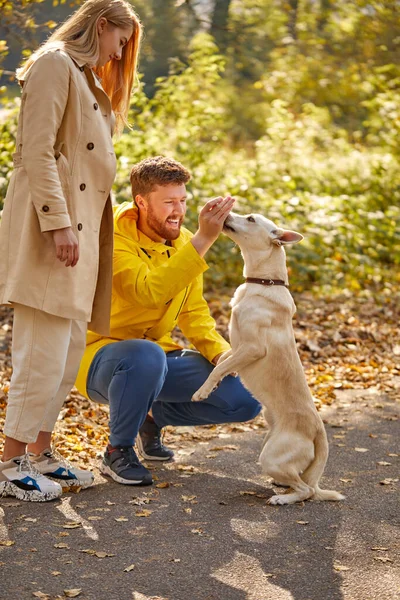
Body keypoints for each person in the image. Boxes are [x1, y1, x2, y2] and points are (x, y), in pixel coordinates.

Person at [0, 0, 142, 502]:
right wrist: (59, 224)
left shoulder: (85, 77)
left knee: (63, 359)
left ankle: (41, 453)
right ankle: (11, 463)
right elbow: (35, 150)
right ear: (101, 24)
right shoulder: (54, 63)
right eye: (120, 40)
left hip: (80, 235)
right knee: (39, 355)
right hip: (51, 232)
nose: (119, 52)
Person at [75, 156, 261, 486]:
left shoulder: (184, 241)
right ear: (141, 201)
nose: (178, 210)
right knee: (146, 355)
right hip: (99, 358)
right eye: (169, 202)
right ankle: (117, 451)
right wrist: (201, 242)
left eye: (183, 200)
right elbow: (146, 292)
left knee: (244, 398)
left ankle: (150, 417)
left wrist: (223, 357)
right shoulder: (113, 240)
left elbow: (194, 314)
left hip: (158, 359)